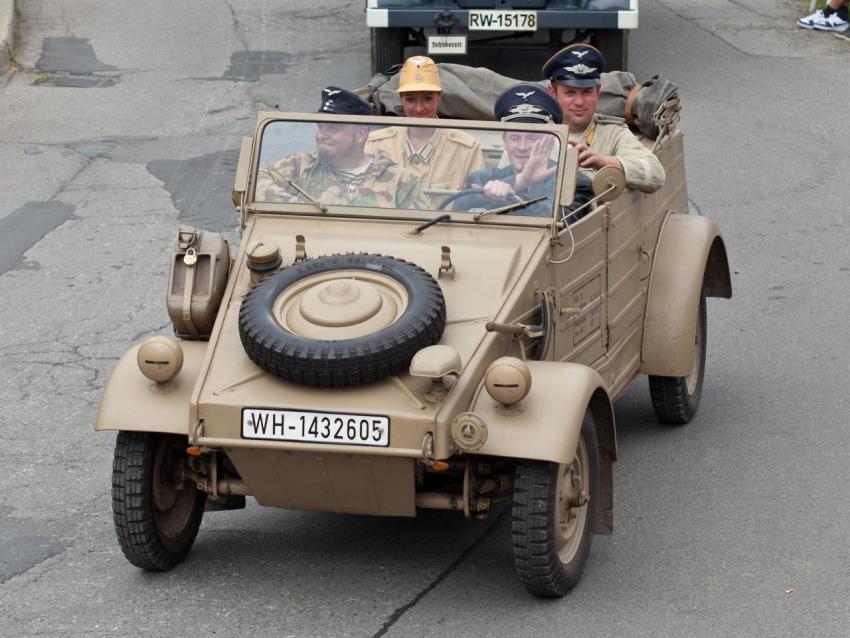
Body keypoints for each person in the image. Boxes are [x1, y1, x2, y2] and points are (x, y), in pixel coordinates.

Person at [255, 87, 424, 209]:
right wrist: (299, 206)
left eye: (332, 129)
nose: (321, 135)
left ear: (360, 135)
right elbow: (255, 181)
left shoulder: (399, 180)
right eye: (320, 126)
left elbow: (425, 233)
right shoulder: (301, 166)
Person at [543, 44, 665, 194]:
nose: (579, 101)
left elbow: (655, 173)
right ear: (552, 93)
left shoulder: (612, 132)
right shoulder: (537, 131)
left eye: (587, 92)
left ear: (598, 91)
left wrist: (603, 162)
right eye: (570, 93)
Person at [365, 56, 485, 208]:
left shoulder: (466, 148)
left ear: (439, 97)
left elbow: (475, 206)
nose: (419, 108)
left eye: (427, 99)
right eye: (410, 100)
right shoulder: (375, 144)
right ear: (401, 99)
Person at [453, 84, 564, 218]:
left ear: (550, 141)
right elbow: (459, 208)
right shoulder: (482, 178)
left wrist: (512, 195)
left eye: (533, 137)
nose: (522, 147)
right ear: (505, 141)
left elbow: (564, 222)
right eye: (515, 138)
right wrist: (519, 182)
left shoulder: (570, 182)